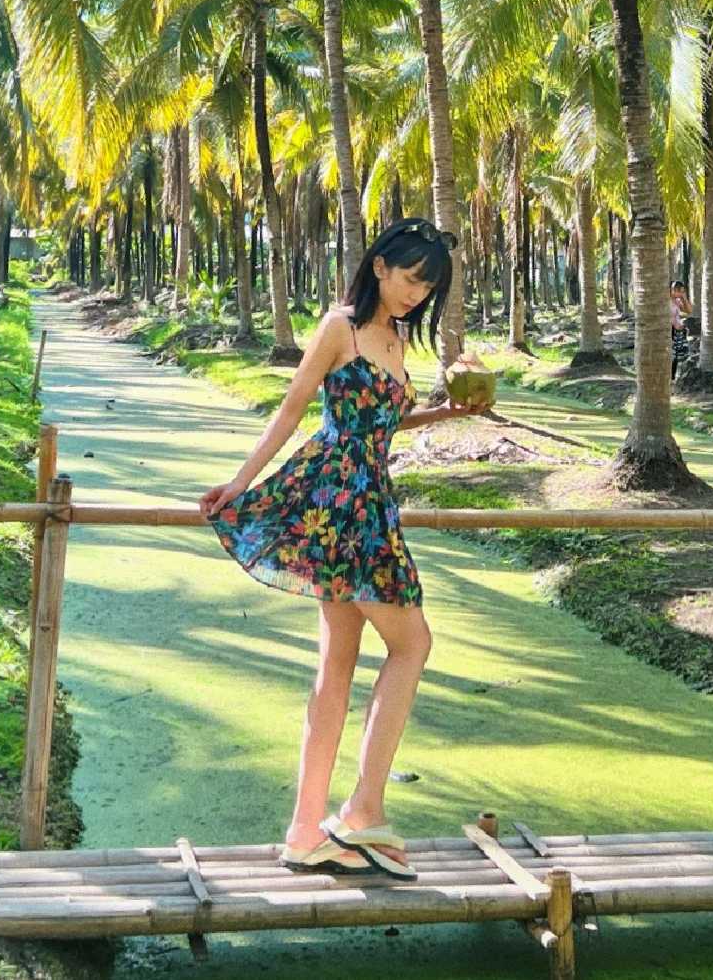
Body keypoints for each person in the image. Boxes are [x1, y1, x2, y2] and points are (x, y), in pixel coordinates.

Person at [200, 217, 494, 883]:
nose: (418, 293)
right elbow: (291, 408)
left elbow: (382, 422)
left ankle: (308, 830)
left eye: (430, 286)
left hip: (371, 501)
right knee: (412, 643)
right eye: (413, 277)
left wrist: (444, 415)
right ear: (382, 265)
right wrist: (239, 482)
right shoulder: (341, 326)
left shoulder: (394, 338)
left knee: (338, 662)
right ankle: (361, 809)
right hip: (339, 502)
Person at [670, 279, 693, 378]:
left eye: (683, 291)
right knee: (671, 355)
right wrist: (674, 324)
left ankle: (673, 377)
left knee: (676, 357)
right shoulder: (665, 301)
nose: (681, 293)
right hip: (669, 330)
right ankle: (669, 377)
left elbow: (689, 310)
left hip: (678, 331)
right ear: (673, 290)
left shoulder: (677, 301)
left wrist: (684, 298)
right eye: (680, 291)